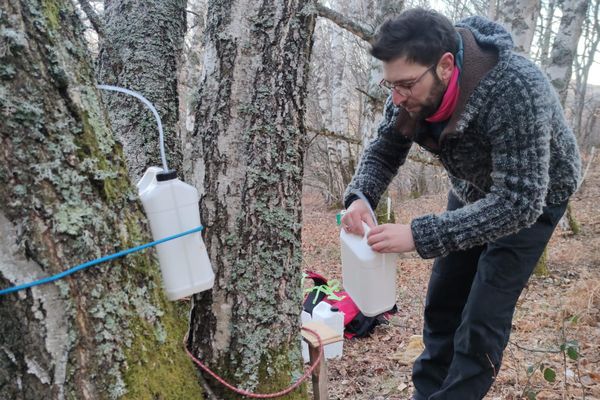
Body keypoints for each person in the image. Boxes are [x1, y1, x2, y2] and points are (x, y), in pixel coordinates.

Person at [341, 8, 581, 400]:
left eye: (404, 85)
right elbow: (385, 151)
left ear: (446, 66)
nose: (396, 97)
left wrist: (419, 234)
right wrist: (361, 196)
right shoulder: (406, 96)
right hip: (472, 189)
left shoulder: (514, 87)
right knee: (442, 303)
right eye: (390, 85)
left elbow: (519, 202)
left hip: (533, 200)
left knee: (481, 320)